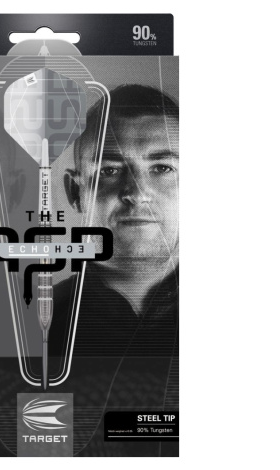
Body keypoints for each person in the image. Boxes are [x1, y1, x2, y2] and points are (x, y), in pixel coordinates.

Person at [51, 84, 179, 358]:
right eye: (109, 170)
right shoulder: (26, 329)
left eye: (162, 168)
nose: (138, 193)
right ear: (75, 192)